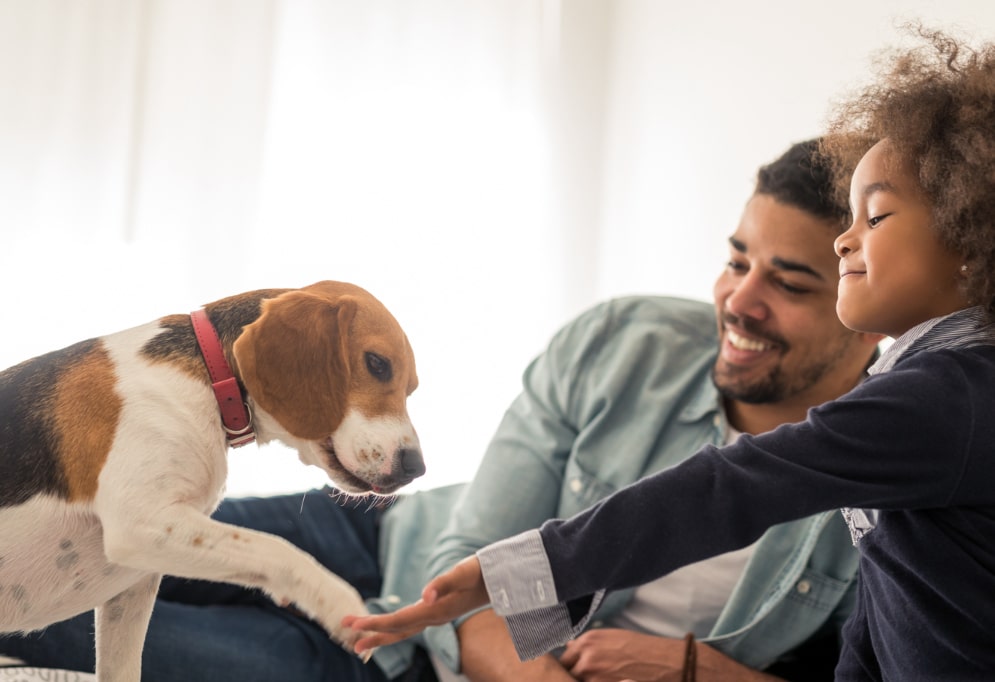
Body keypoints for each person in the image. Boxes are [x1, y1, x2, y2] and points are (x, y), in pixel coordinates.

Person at [0, 138, 882, 682]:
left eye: (789, 282)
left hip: (390, 660)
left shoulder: (887, 469)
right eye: (737, 260)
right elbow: (475, 554)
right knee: (110, 534)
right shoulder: (624, 341)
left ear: (858, 291)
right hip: (383, 539)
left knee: (54, 626)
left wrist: (698, 670)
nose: (738, 301)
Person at [346, 26, 995, 682]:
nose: (843, 242)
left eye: (874, 219)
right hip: (388, 538)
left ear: (968, 241)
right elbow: (874, 631)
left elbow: (728, 487)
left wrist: (523, 571)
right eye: (736, 260)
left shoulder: (946, 399)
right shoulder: (929, 393)